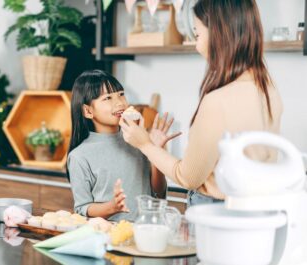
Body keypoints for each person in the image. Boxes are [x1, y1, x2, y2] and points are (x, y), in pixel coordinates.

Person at [119, 0, 283, 206]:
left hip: (217, 212)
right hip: (257, 210)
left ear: (219, 34)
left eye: (197, 35)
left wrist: (145, 144)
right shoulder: (268, 89)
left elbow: (188, 177)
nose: (197, 46)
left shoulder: (218, 101)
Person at [66, 70, 171, 221]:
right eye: (108, 98)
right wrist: (112, 207)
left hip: (146, 230)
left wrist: (155, 150)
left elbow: (158, 194)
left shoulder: (138, 139)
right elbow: (82, 208)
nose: (120, 102)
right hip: (108, 236)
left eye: (121, 94)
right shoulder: (79, 156)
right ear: (88, 111)